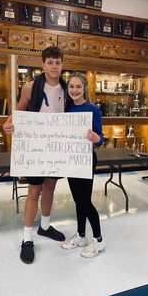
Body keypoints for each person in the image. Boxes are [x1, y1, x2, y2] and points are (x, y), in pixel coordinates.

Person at [3, 46, 66, 264]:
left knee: (51, 186)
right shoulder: (30, 87)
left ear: (62, 64)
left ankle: (45, 227)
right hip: (36, 147)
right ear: (43, 65)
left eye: (57, 62)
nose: (54, 66)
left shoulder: (66, 88)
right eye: (50, 62)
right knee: (33, 192)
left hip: (56, 146)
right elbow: (19, 112)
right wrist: (9, 124)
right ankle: (27, 238)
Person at [61, 72, 106, 258]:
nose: (74, 90)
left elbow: (100, 138)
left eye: (78, 86)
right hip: (71, 159)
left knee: (85, 201)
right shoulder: (66, 108)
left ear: (84, 88)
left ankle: (99, 240)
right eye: (71, 86)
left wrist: (96, 138)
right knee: (78, 200)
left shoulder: (93, 109)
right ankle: (81, 236)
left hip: (86, 160)